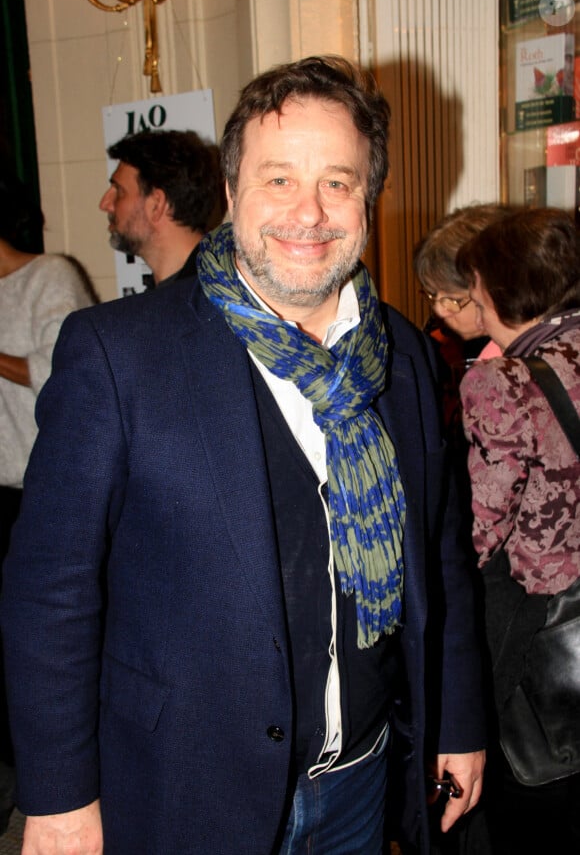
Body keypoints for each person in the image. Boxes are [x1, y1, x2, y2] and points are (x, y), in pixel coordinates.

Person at [1, 55, 486, 855]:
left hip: (361, 783)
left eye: (338, 181)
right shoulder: (120, 356)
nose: (310, 212)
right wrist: (57, 798)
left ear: (370, 199)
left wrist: (457, 718)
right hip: (183, 791)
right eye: (278, 180)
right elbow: (51, 592)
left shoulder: (400, 354)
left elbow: (440, 555)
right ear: (231, 194)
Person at [457, 207, 580, 854]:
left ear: (503, 287)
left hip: (542, 635)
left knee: (527, 815)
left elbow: (484, 527)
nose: (473, 303)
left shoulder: (503, 380)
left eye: (477, 289)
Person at [0, 169, 97, 836]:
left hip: (36, 495)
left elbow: (62, 370)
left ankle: (49, 793)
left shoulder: (50, 274)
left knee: (38, 653)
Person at [413, 204, 513, 433]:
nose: (439, 310)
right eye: (431, 295)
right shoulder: (441, 342)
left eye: (453, 299)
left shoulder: (509, 365)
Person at [99, 128, 221, 287]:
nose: (104, 204)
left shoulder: (218, 296)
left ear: (156, 204)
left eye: (120, 191)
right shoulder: (167, 295)